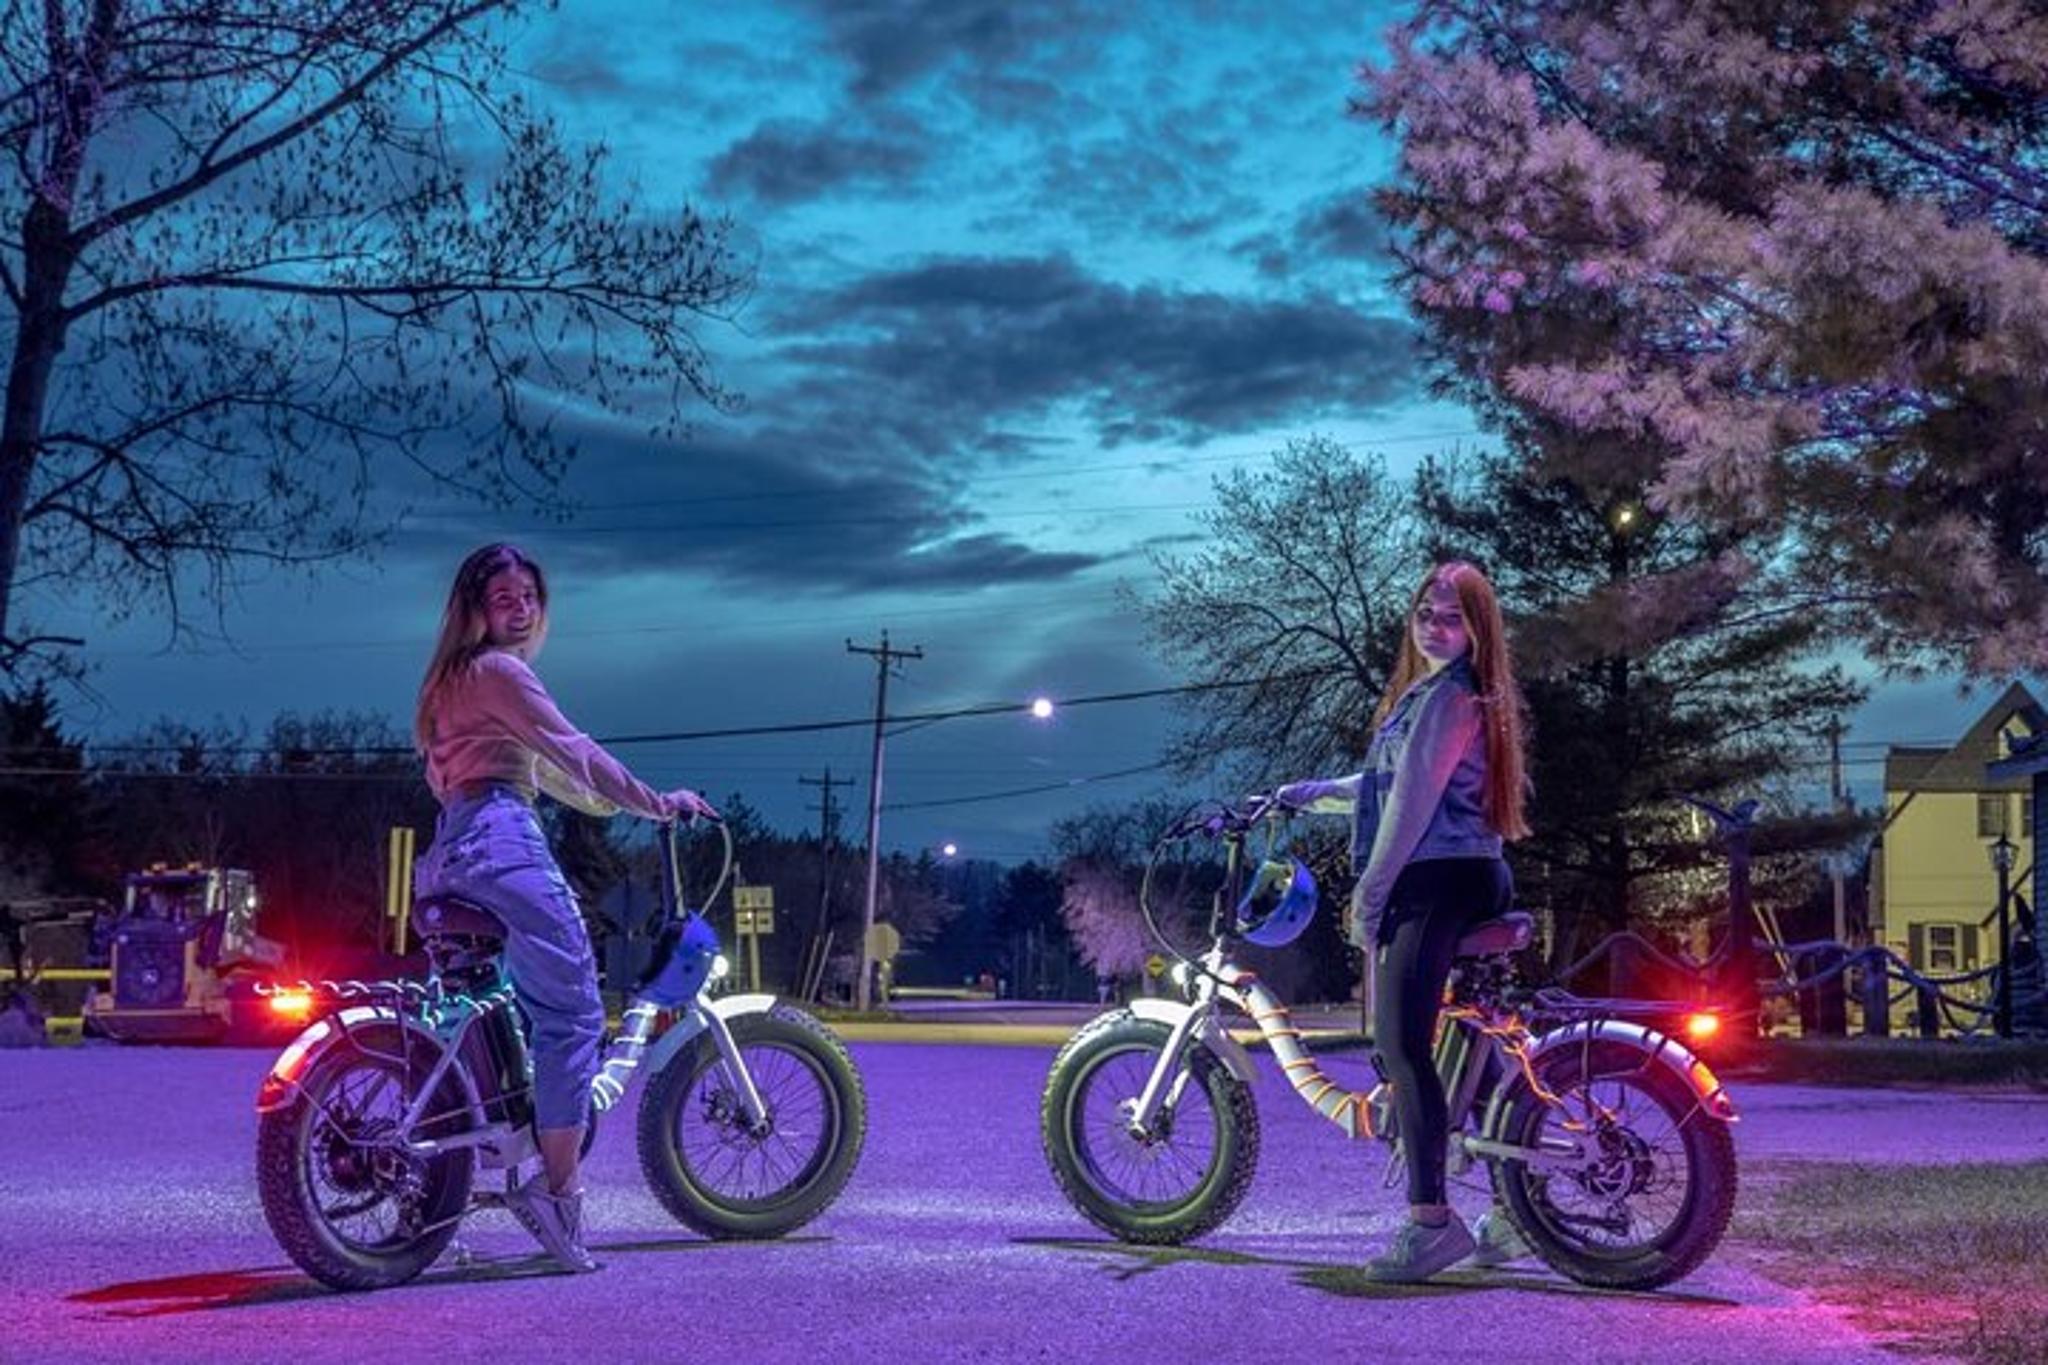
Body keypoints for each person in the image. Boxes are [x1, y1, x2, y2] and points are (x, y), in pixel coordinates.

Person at [412, 542, 715, 1272]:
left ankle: (460, 1175)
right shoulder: (500, 671)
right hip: (502, 842)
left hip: (449, 852)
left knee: (490, 1016)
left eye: (530, 597)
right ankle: (559, 1194)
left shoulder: (448, 683)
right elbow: (575, 750)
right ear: (476, 610)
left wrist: (622, 805)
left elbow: (558, 775)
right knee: (574, 1014)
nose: (521, 609)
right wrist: (656, 802)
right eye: (504, 598)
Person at [1274, 560, 1529, 1283]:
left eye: (1451, 617)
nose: (1433, 626)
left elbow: (1411, 805)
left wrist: (1369, 898)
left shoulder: (1451, 696)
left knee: (1401, 1044)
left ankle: (1430, 1223)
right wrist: (1309, 794)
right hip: (1463, 871)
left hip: (1437, 877)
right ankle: (1516, 1209)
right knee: (1469, 1052)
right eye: (1424, 612)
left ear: (1477, 629)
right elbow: (1388, 784)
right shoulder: (1444, 693)